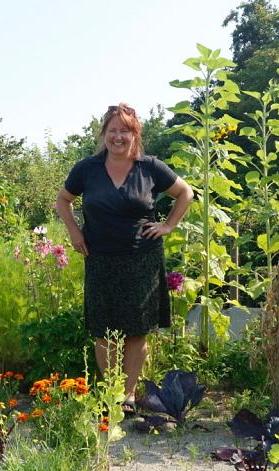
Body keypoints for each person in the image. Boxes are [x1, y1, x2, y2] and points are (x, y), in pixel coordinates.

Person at [55, 103, 193, 414]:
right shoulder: (86, 169)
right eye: (112, 130)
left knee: (136, 330)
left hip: (142, 260)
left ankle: (127, 396)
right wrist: (75, 233)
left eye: (125, 131)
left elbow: (186, 193)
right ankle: (110, 393)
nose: (118, 136)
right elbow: (63, 201)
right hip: (101, 258)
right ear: (104, 134)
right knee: (104, 330)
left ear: (135, 135)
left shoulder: (150, 167)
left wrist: (168, 225)